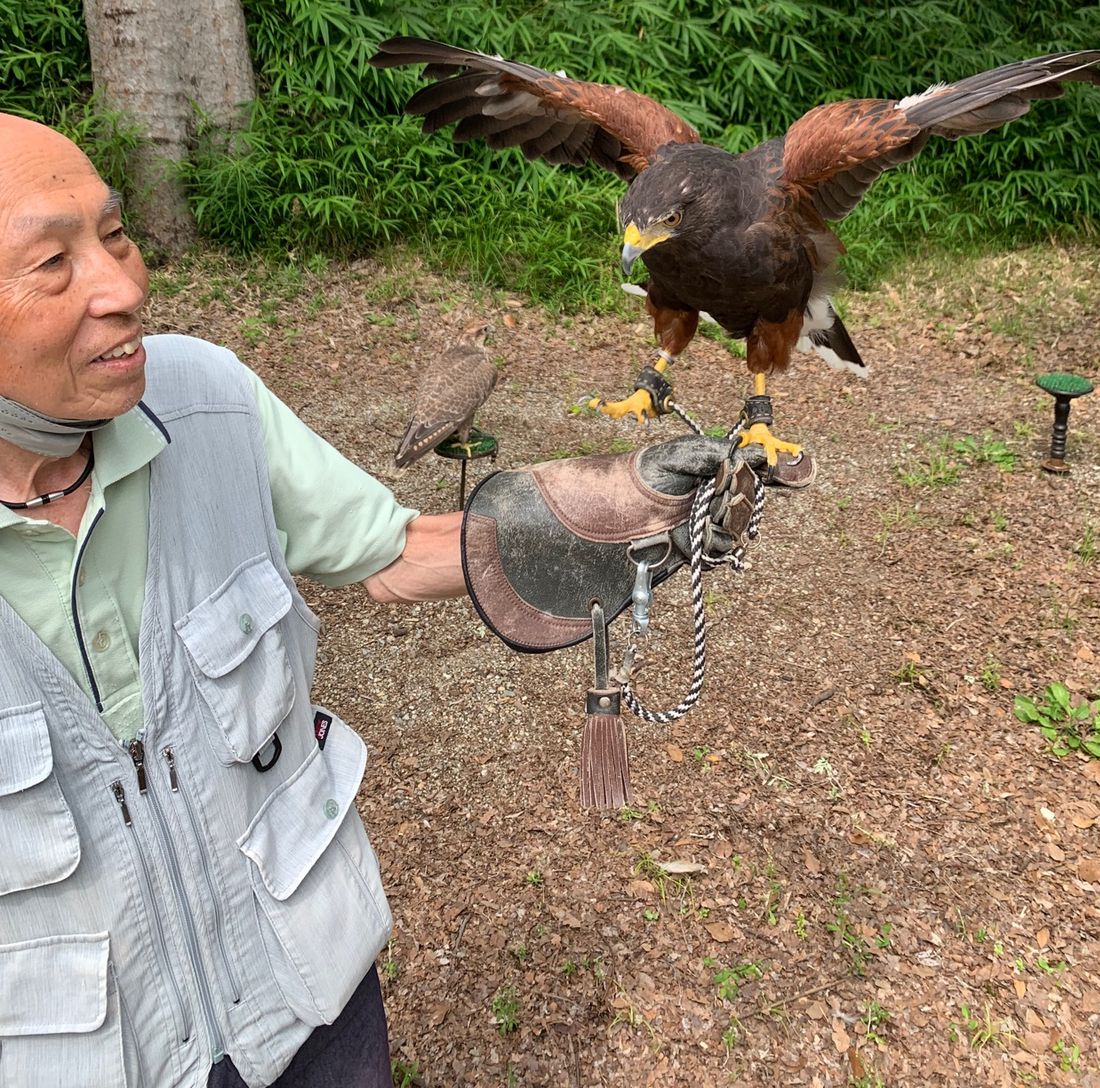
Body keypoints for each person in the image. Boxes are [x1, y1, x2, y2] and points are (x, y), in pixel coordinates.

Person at [0, 112, 761, 1088]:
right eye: (52, 265)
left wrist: (622, 506)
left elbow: (395, 551)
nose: (126, 286)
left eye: (115, 234)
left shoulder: (204, 400)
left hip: (309, 1007)